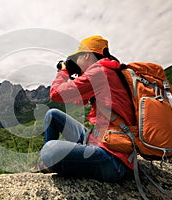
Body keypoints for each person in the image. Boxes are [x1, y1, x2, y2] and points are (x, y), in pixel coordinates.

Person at [31, 35, 135, 182]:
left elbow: (55, 94)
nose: (75, 62)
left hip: (112, 159)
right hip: (99, 140)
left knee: (49, 150)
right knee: (52, 115)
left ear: (86, 55)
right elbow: (79, 101)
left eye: (77, 58)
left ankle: (49, 161)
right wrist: (77, 77)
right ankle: (47, 163)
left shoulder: (100, 72)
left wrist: (64, 71)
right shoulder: (109, 71)